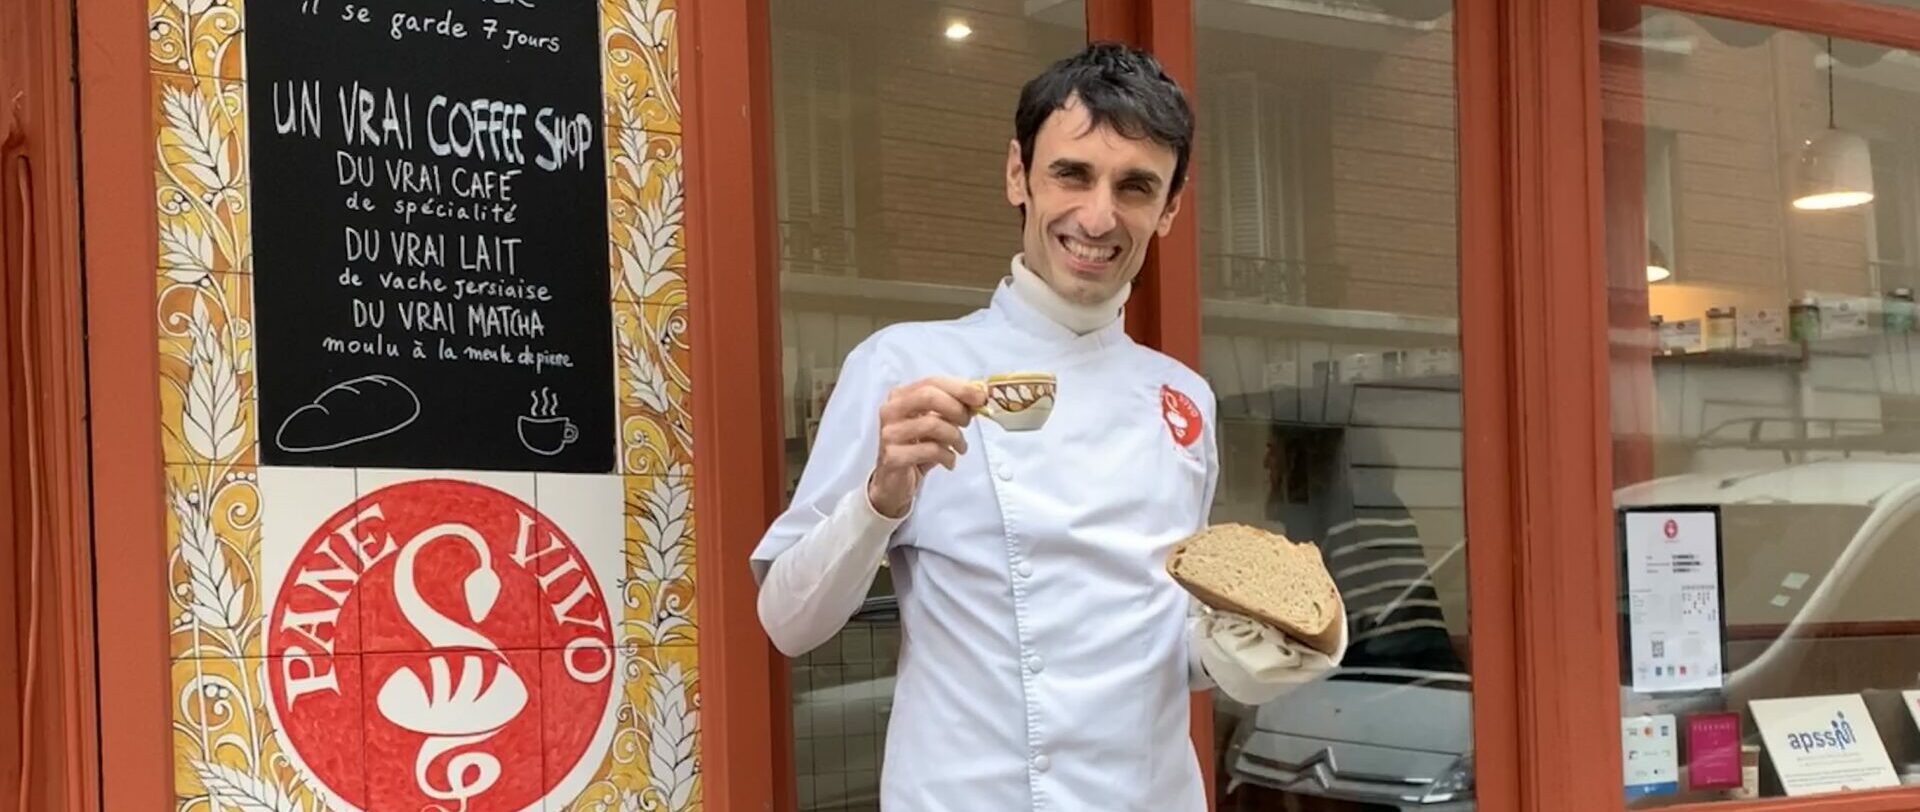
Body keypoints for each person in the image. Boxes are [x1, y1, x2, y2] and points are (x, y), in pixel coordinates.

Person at [751, 42, 1346, 811]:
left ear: (1169, 209)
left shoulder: (1183, 401)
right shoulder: (905, 366)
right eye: (1072, 173)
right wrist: (881, 495)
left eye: (1135, 187)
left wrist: (1252, 651)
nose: (1098, 216)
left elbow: (1153, 645)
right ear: (1017, 175)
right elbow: (788, 623)